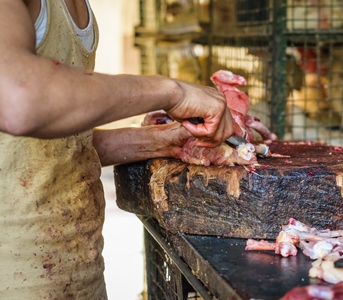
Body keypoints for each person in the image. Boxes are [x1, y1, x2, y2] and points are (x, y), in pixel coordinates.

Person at [0, 0, 235, 299]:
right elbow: (18, 101)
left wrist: (162, 140)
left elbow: (54, 148)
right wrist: (171, 92)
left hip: (77, 273)